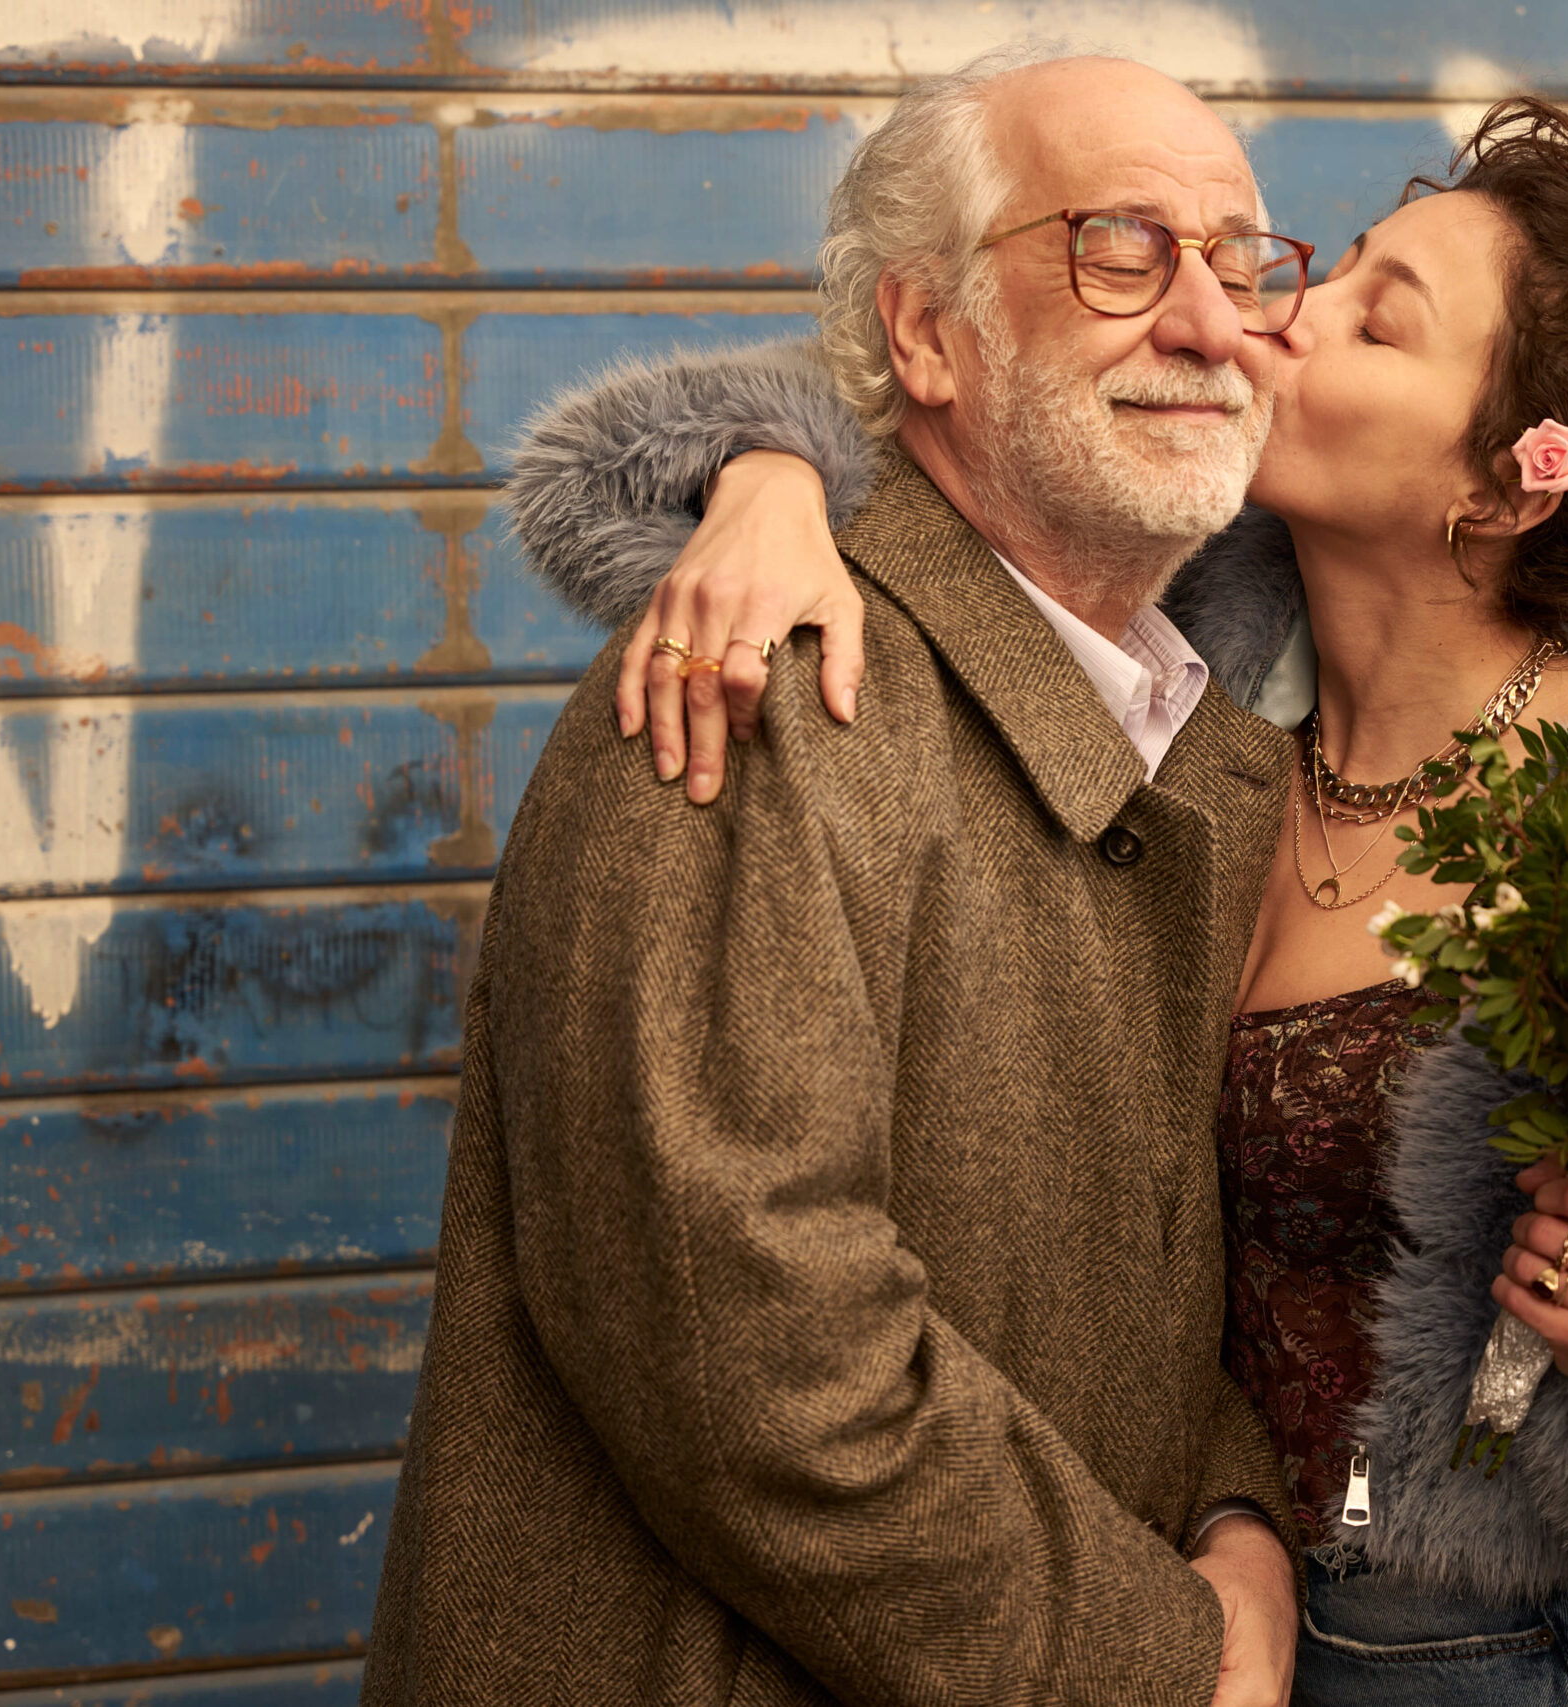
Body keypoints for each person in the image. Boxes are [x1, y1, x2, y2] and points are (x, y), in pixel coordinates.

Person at [506, 93, 1568, 1705]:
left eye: (1374, 323)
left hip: (1557, 1663)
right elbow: (969, 415)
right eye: (1332, 269)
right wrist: (768, 480)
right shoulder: (1186, 710)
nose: (1272, 318)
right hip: (1223, 1641)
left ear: (1512, 484)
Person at [364, 50, 1314, 1707]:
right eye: (1118, 249)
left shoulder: (1194, 742)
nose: (1209, 321)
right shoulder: (765, 684)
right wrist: (1161, 1662)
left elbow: (1164, 1265)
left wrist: (1234, 1514)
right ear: (925, 333)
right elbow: (749, 1344)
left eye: (1241, 258)